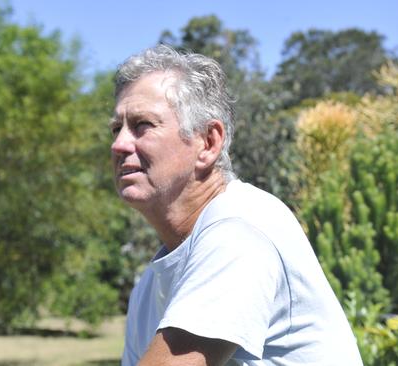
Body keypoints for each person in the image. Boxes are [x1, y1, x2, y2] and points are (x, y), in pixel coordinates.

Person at [110, 45, 362, 365]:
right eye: (116, 128)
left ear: (208, 143)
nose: (119, 144)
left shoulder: (239, 229)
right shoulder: (148, 290)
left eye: (142, 125)